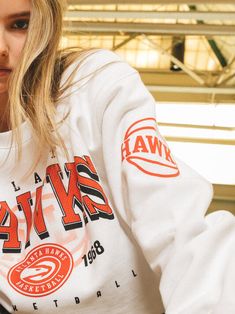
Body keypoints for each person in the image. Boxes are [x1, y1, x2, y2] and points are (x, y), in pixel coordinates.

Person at [0, 0, 235, 313]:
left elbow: (178, 226)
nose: (0, 47)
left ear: (46, 24)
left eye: (20, 24)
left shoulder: (91, 85)